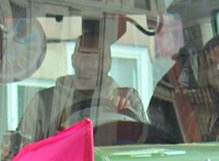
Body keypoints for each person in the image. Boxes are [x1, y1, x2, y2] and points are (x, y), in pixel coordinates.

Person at [14, 19, 144, 148]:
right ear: (73, 60)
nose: (91, 63)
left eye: (99, 58)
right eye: (85, 56)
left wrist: (122, 114)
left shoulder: (127, 99)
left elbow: (145, 146)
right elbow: (23, 148)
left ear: (110, 63)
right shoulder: (45, 102)